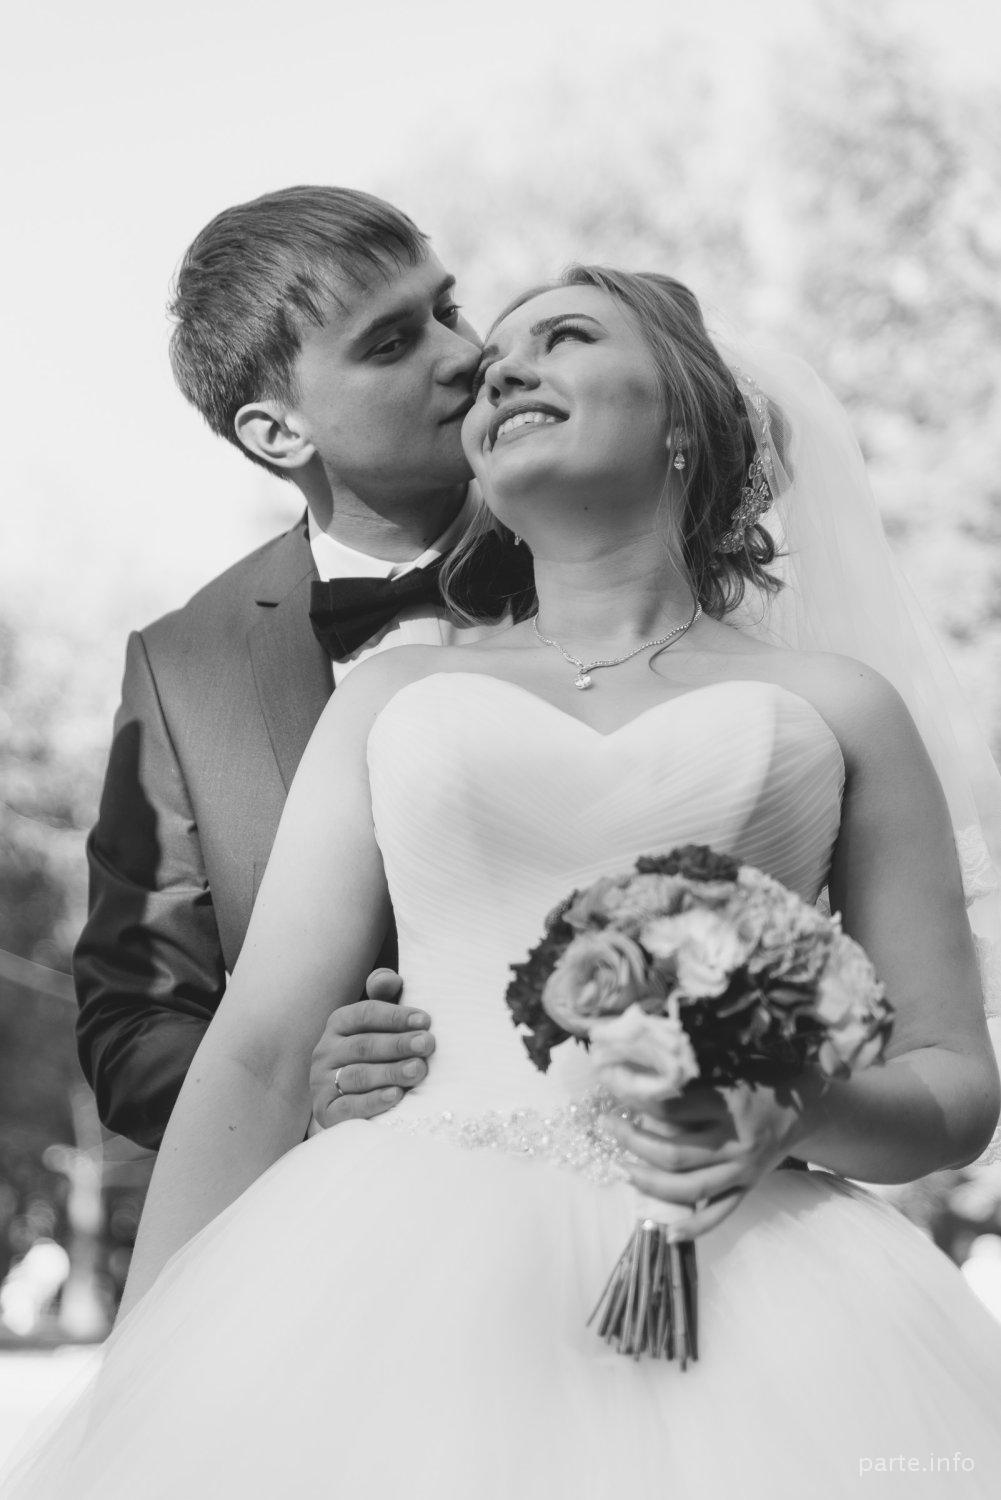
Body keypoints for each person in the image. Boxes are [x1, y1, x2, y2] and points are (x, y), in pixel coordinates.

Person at [9, 267, 1001, 1497]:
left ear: (684, 417)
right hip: (396, 1267)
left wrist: (792, 1103)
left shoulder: (840, 705)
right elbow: (258, 1053)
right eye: (493, 369)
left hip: (760, 1285)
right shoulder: (392, 695)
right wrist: (137, 1392)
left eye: (565, 337)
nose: (505, 369)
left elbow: (953, 1082)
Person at [73, 185, 532, 1150]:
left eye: (447, 308)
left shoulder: (601, 542)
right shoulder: (182, 669)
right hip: (350, 1213)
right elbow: (134, 1021)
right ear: (278, 431)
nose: (464, 353)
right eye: (391, 344)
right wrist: (299, 1104)